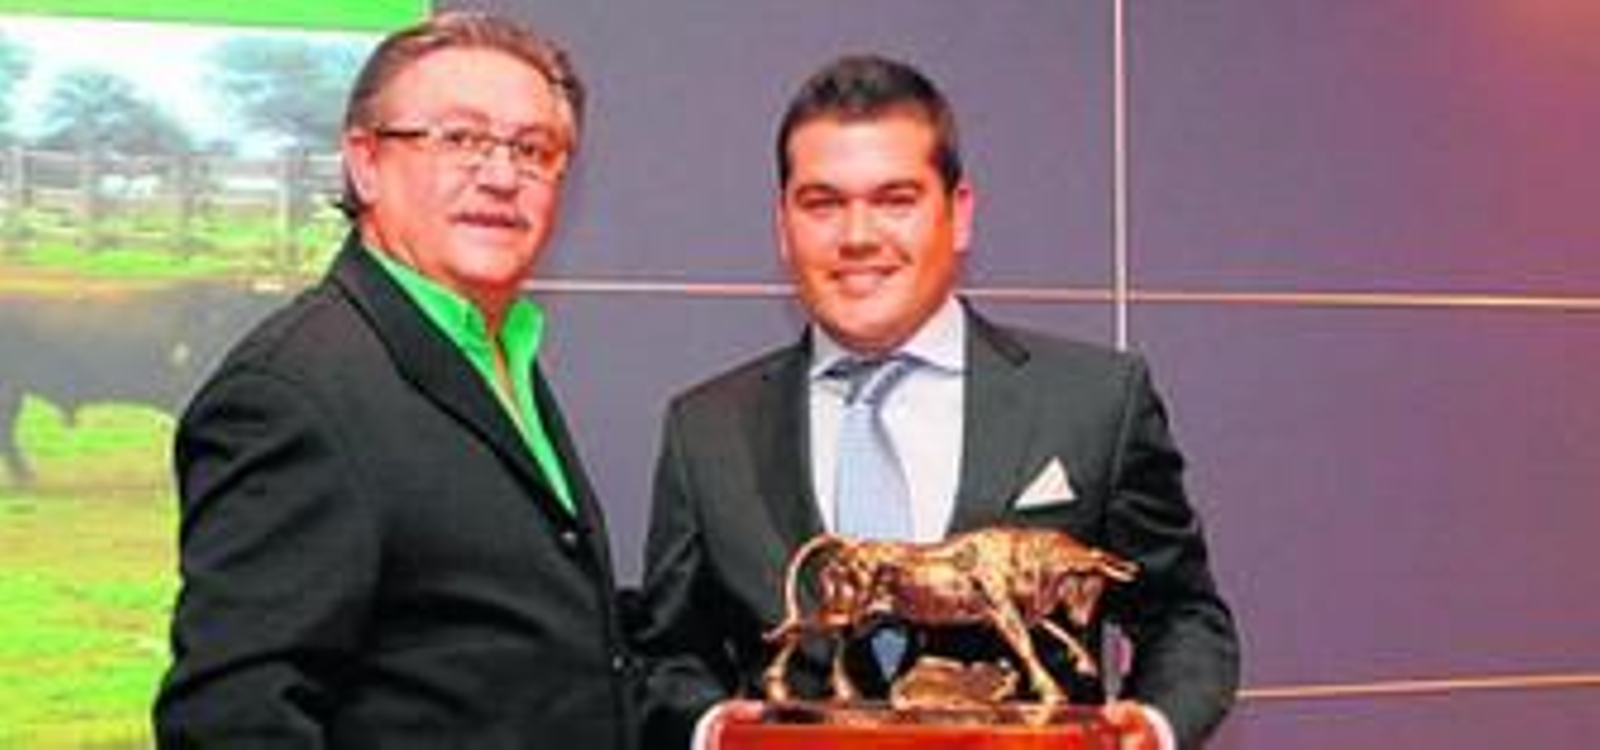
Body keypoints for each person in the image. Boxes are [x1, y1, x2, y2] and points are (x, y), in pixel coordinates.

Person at [636, 54, 1239, 750]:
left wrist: (1154, 729)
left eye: (895, 199)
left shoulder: (1096, 401)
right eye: (823, 202)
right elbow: (666, 656)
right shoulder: (704, 428)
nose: (858, 236)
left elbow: (1185, 618)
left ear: (958, 214)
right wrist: (713, 730)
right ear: (783, 226)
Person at [153, 13, 638, 748]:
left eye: (533, 149)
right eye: (460, 139)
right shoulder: (293, 394)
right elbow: (231, 722)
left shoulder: (498, 349)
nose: (502, 176)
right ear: (365, 161)